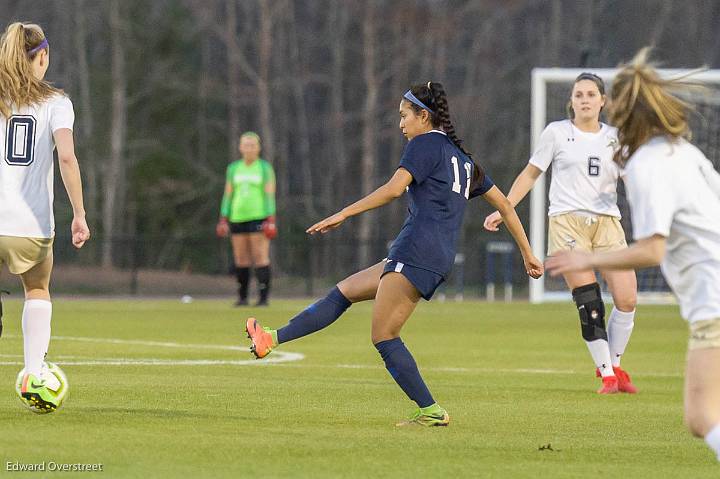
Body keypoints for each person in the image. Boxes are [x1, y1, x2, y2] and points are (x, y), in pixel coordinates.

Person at [245, 81, 543, 426]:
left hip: (417, 250)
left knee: (384, 336)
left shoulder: (424, 144)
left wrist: (343, 213)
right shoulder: (463, 159)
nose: (401, 124)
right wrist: (527, 253)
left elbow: (392, 190)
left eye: (404, 116)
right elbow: (505, 204)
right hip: (431, 253)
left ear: (423, 115)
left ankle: (431, 410)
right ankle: (271, 338)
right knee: (344, 291)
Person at [546, 48, 720, 461]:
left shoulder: (646, 164)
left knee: (702, 417)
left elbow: (652, 249)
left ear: (621, 111)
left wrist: (587, 260)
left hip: (713, 301)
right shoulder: (686, 153)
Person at [483, 72, 639, 394]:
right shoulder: (556, 133)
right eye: (578, 95)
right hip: (567, 222)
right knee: (589, 299)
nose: (584, 100)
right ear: (571, 101)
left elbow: (633, 182)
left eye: (590, 94)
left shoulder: (615, 137)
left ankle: (616, 364)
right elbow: (529, 175)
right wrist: (505, 208)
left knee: (627, 298)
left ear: (602, 101)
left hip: (608, 223)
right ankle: (608, 375)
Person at [0, 22, 90, 412]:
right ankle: (35, 374)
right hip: (30, 224)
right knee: (36, 291)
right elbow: (67, 157)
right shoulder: (57, 102)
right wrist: (79, 214)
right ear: (43, 56)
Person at [216, 132, 277, 307]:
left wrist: (270, 217)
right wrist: (223, 217)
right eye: (245, 145)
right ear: (240, 147)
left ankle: (263, 298)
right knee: (241, 258)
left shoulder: (264, 168)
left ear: (258, 148)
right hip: (237, 217)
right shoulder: (234, 168)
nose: (249, 148)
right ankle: (242, 297)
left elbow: (269, 194)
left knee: (260, 256)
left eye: (252, 145)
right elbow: (228, 194)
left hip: (258, 216)